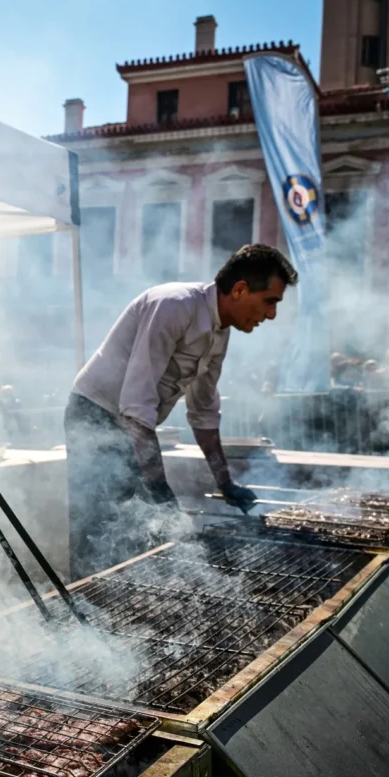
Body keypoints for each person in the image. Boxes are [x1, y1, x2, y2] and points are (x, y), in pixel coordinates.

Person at [64, 244, 297, 580]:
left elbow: (203, 410)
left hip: (129, 425)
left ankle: (124, 597)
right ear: (241, 289)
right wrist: (159, 487)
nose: (271, 314)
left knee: (135, 524)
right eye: (270, 301)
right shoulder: (173, 305)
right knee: (98, 522)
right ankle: (85, 606)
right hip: (94, 415)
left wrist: (226, 482)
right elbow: (136, 405)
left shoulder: (220, 333)